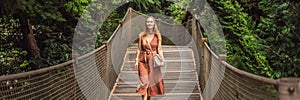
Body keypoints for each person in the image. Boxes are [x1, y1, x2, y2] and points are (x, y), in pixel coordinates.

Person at [135, 16, 165, 100]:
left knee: (151, 84)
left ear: (154, 24)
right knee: (144, 82)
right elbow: (139, 49)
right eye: (148, 22)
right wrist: (136, 60)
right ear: (146, 24)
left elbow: (159, 49)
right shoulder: (141, 35)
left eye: (151, 22)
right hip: (143, 61)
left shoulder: (157, 35)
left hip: (153, 62)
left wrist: (162, 60)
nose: (149, 23)